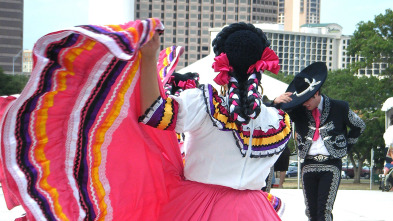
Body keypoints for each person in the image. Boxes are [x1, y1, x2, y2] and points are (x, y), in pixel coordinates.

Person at [139, 22, 291, 220]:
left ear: (221, 64)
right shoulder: (280, 122)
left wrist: (149, 57)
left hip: (198, 205)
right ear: (262, 63)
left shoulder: (203, 104)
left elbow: (154, 113)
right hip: (254, 209)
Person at [273, 62, 366, 221]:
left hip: (331, 164)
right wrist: (275, 102)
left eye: (307, 99)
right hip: (308, 165)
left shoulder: (340, 107)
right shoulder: (299, 110)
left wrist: (345, 148)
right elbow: (273, 114)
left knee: (323, 212)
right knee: (311, 212)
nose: (304, 103)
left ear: (316, 93)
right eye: (301, 100)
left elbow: (359, 126)